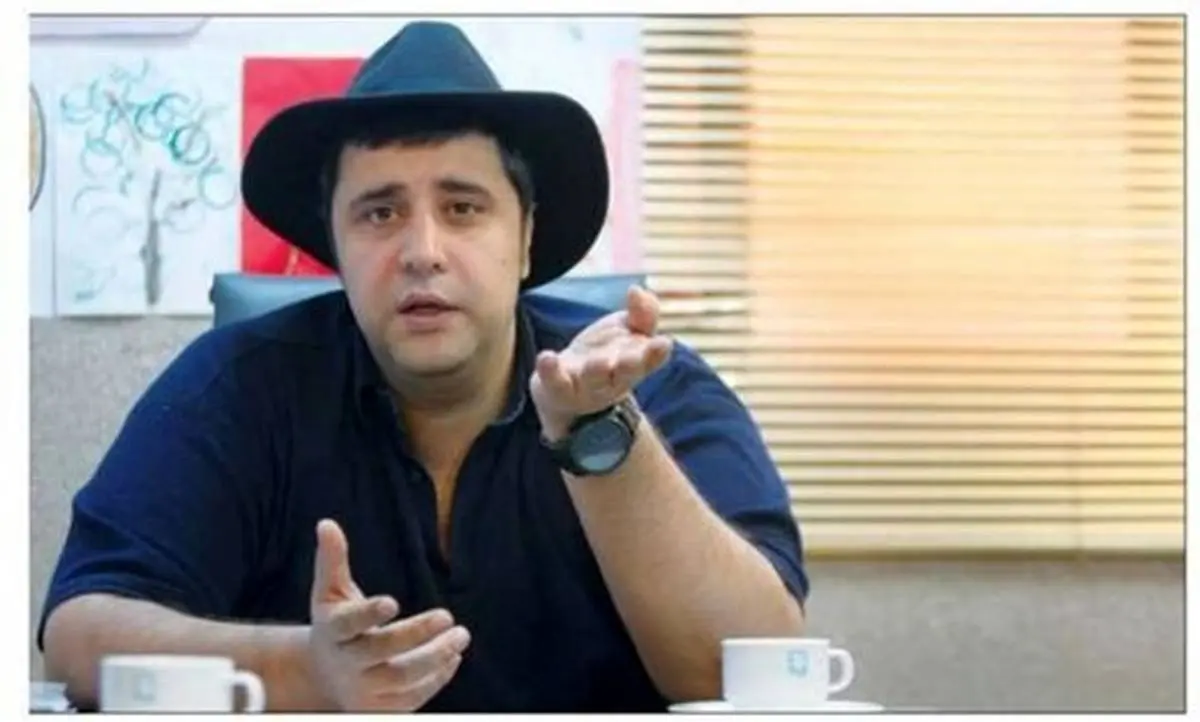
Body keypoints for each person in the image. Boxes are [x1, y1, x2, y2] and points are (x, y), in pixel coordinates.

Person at [38, 21, 808, 713]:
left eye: (463, 208)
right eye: (380, 213)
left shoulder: (649, 386)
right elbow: (80, 632)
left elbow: (749, 670)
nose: (422, 251)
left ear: (526, 238)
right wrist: (307, 671)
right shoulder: (238, 386)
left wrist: (600, 434)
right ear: (334, 247)